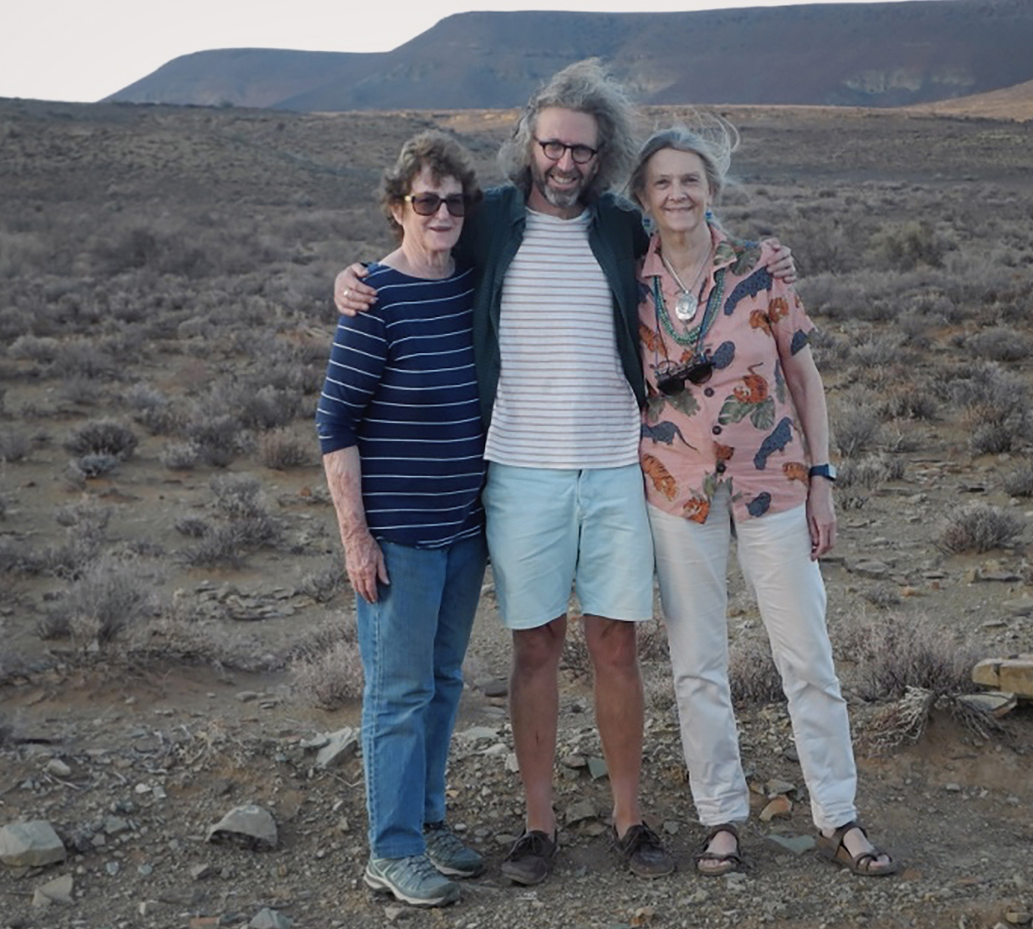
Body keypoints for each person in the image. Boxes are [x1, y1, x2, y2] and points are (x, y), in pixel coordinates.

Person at [336, 61, 793, 886]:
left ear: (602, 152)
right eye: (551, 144)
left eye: (581, 149)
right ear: (529, 143)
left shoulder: (621, 225)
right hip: (519, 471)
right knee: (536, 645)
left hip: (619, 466)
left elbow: (696, 237)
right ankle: (538, 825)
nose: (565, 161)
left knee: (616, 644)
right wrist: (354, 277)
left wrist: (769, 257)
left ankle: (629, 816)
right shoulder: (492, 219)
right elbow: (420, 241)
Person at [627, 126, 898, 878]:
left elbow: (805, 380)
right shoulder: (628, 278)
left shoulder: (760, 268)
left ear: (711, 188)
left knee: (806, 653)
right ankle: (720, 819)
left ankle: (838, 814)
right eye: (662, 183)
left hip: (774, 480)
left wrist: (823, 477)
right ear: (643, 199)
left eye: (691, 180)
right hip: (677, 491)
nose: (678, 194)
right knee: (697, 663)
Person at [315, 131, 490, 908]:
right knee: (396, 693)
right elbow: (335, 424)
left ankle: (428, 820)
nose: (442, 211)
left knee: (444, 682)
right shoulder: (373, 299)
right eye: (426, 199)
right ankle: (390, 849)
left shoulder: (473, 282)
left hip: (463, 528)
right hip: (399, 539)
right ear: (398, 208)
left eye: (454, 199)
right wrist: (356, 537)